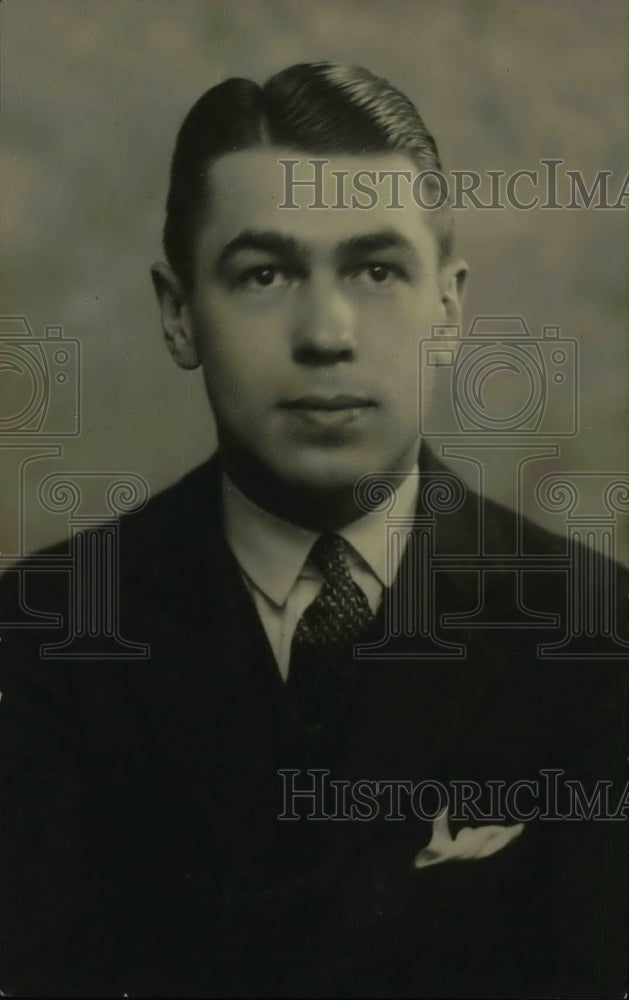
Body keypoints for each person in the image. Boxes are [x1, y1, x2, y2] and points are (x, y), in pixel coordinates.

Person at [0, 62, 626, 998]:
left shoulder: (600, 635)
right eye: (263, 273)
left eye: (375, 270)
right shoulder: (37, 637)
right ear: (179, 315)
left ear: (447, 308)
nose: (326, 332)